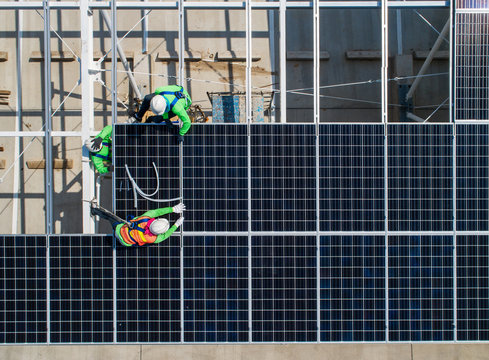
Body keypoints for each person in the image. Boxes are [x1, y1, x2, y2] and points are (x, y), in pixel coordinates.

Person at [90, 202, 186, 247]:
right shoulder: (154, 239)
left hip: (120, 229)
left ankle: (94, 210)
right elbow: (166, 235)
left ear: (156, 220)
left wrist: (173, 209)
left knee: (109, 216)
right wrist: (176, 225)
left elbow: (157, 212)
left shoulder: (145, 218)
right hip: (125, 242)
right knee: (146, 245)